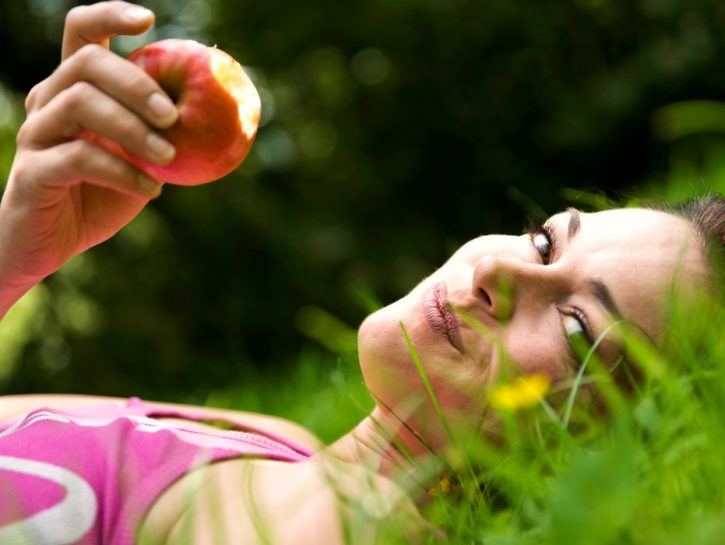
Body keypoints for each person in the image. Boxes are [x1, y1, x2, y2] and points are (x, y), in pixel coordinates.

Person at [0, 2, 722, 544]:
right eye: (541, 244)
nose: (499, 267)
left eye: (575, 324)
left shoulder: (343, 521)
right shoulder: (267, 437)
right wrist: (18, 255)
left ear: (607, 443)